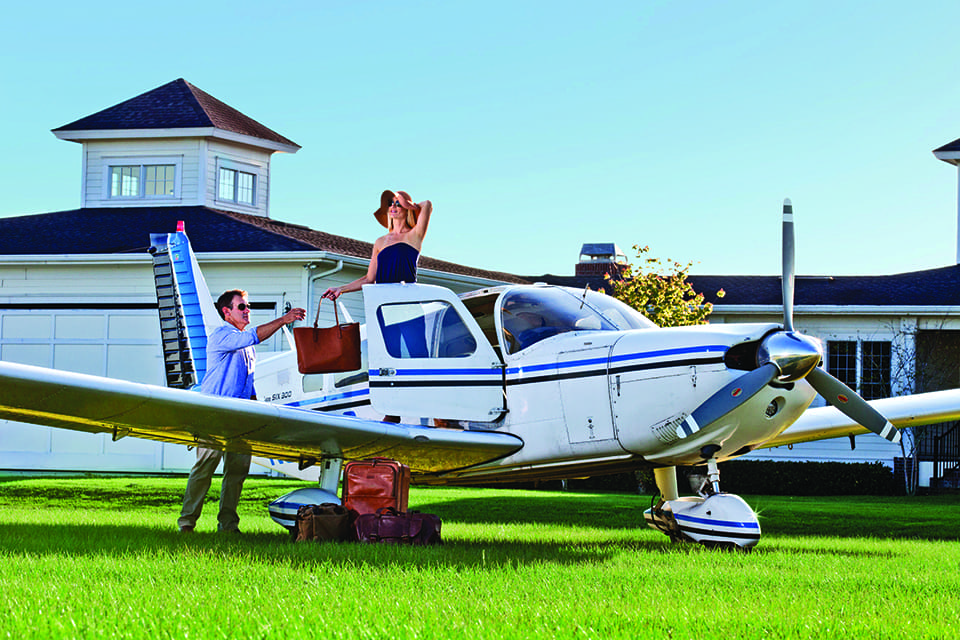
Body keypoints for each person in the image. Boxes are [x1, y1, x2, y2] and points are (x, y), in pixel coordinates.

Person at [178, 289, 306, 533]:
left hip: (241, 415)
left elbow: (247, 380)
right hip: (215, 413)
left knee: (236, 473)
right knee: (204, 470)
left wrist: (258, 408)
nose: (248, 311)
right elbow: (253, 337)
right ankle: (186, 523)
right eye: (242, 307)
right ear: (227, 312)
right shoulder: (222, 336)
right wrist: (284, 319)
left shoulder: (247, 344)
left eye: (248, 307)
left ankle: (228, 526)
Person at [323, 189, 433, 358]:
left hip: (408, 305)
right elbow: (369, 279)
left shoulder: (414, 235)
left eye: (398, 203)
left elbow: (427, 205)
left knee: (418, 354)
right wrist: (341, 289)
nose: (393, 206)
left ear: (407, 208)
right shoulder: (380, 242)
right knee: (389, 356)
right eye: (391, 203)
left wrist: (408, 202)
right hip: (384, 306)